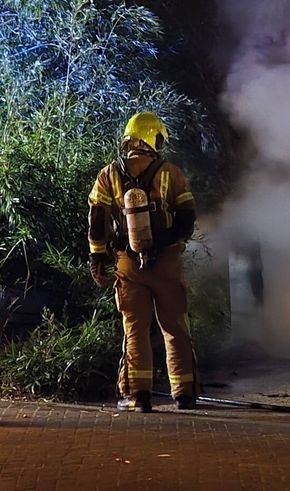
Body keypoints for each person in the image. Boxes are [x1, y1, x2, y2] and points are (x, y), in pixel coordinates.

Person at [88, 111, 199, 412]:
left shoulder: (108, 175)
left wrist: (97, 256)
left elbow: (97, 220)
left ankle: (137, 396)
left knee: (134, 329)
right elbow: (187, 218)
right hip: (167, 263)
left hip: (128, 263)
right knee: (175, 327)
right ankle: (185, 394)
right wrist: (165, 242)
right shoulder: (171, 173)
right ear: (153, 138)